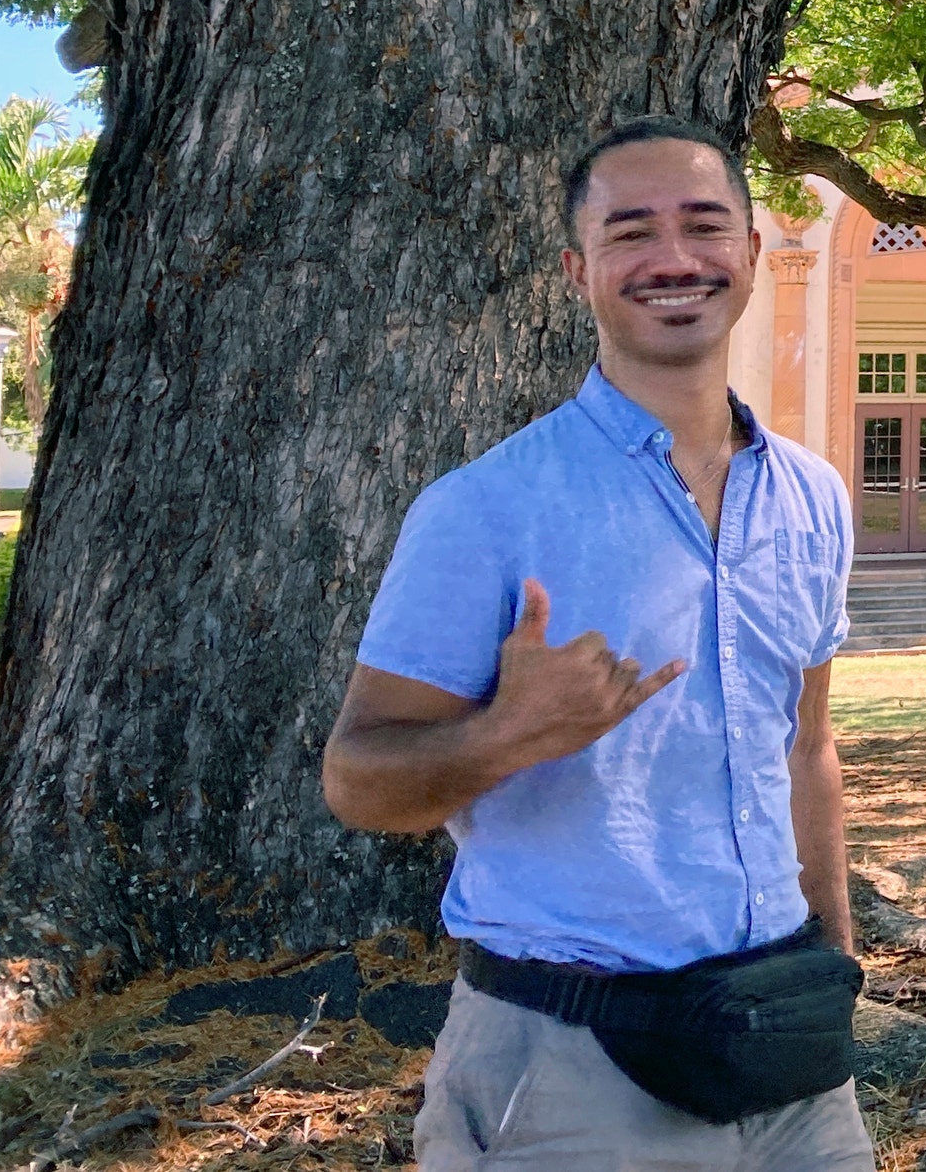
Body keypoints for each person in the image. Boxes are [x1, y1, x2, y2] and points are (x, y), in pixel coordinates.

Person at [325, 116, 874, 1170]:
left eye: (705, 224)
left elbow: (807, 751)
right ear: (579, 272)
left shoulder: (815, 498)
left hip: (791, 1053)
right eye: (632, 233)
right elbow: (357, 779)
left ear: (753, 253)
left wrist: (837, 963)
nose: (674, 257)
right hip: (569, 1066)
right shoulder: (485, 509)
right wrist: (505, 737)